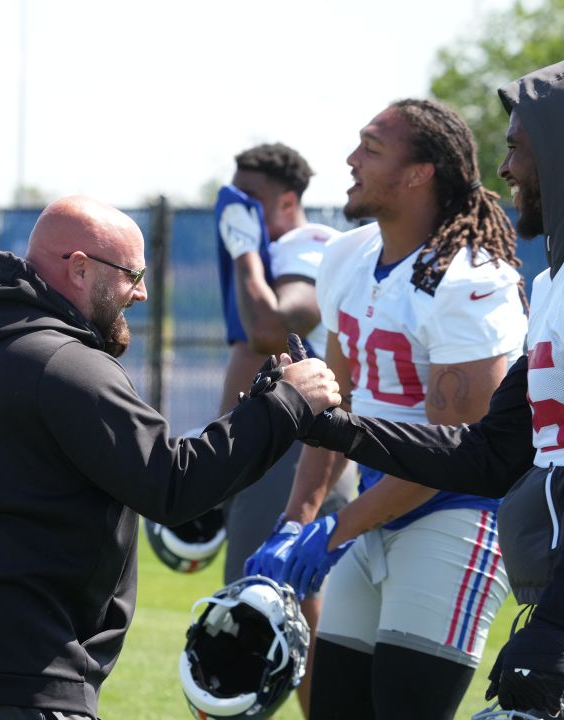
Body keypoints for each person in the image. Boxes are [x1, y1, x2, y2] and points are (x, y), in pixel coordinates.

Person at [0, 195, 342, 720]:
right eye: (132, 273)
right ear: (81, 269)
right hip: (12, 671)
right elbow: (173, 486)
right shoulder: (67, 364)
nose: (142, 292)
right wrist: (286, 403)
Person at [294, 46, 564, 720]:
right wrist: (333, 426)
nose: (506, 168)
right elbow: (487, 453)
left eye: (519, 148)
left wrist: (563, 628)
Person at [249, 98, 529, 720]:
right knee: (333, 708)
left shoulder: (471, 280)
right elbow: (328, 408)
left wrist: (337, 529)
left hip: (457, 513)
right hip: (373, 508)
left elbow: (458, 454)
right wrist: (298, 520)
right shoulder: (348, 257)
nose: (351, 160)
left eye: (372, 148)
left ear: (419, 172)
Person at [215, 142, 356, 713]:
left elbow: (272, 328)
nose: (237, 210)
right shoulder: (276, 248)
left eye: (250, 200)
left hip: (296, 457)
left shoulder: (310, 244)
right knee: (288, 610)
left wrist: (247, 252)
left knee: (257, 611)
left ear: (288, 200)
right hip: (272, 454)